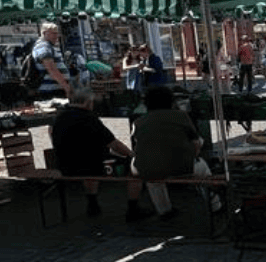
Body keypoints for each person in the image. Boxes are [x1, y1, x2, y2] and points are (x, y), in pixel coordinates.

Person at [129, 86, 219, 221]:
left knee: (151, 174)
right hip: (182, 166)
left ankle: (164, 210)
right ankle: (216, 205)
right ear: (171, 101)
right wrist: (194, 156)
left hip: (148, 168)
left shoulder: (138, 122)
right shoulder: (181, 116)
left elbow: (138, 145)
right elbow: (196, 142)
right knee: (203, 169)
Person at [51, 86, 135, 217]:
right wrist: (132, 155)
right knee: (133, 167)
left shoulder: (59, 117)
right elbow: (114, 144)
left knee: (91, 158)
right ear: (87, 102)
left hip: (64, 165)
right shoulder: (89, 118)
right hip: (88, 166)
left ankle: (92, 202)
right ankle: (134, 207)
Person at [33, 21, 71, 97]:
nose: (56, 36)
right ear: (44, 33)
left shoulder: (49, 46)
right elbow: (51, 69)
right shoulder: (43, 46)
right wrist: (66, 87)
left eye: (57, 33)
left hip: (55, 89)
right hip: (50, 91)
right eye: (53, 33)